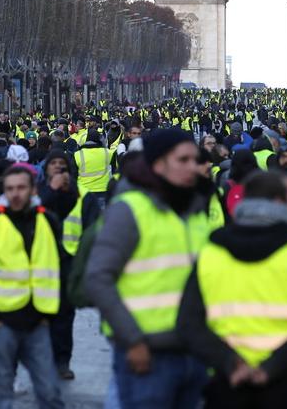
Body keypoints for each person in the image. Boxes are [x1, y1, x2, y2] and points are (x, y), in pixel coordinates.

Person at [177, 170, 287, 408]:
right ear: (279, 201)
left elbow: (188, 322)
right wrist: (273, 366)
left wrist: (230, 363)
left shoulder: (212, 251)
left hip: (228, 380)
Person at [85, 129, 209, 409]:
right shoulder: (129, 210)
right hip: (149, 353)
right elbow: (97, 278)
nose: (193, 167)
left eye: (195, 159)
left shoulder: (195, 210)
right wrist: (132, 341)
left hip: (195, 351)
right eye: (183, 160)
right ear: (158, 164)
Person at [0, 165, 65, 409]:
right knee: (2, 398)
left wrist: (52, 315)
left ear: (32, 190)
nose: (15, 194)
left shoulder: (48, 221)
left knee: (50, 393)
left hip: (39, 323)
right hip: (2, 324)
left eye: (21, 188)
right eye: (10, 189)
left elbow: (61, 270)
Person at [39, 149, 100, 379]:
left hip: (70, 263)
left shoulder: (84, 196)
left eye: (61, 163)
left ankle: (62, 362)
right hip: (41, 262)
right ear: (46, 168)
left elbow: (93, 230)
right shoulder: (38, 193)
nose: (57, 166)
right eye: (52, 163)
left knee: (65, 317)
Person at [73, 130, 111, 206]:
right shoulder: (108, 152)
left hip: (84, 191)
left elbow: (73, 175)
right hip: (103, 190)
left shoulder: (77, 154)